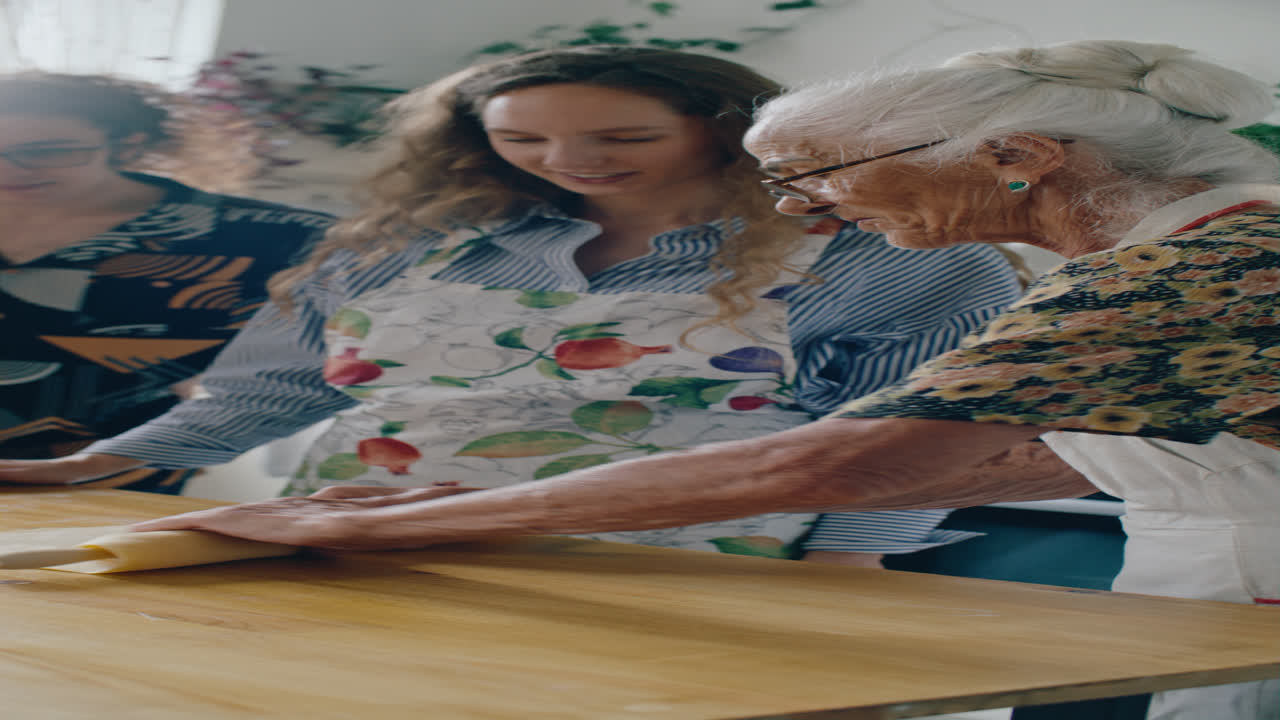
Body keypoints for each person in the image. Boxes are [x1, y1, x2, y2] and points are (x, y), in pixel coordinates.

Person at [129, 41, 1278, 718]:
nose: (800, 210)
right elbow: (1032, 446)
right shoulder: (1191, 244)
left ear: (1018, 160)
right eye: (781, 185)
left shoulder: (1207, 264)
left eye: (816, 179)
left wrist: (427, 523)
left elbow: (842, 458)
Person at [0, 47, 1024, 562]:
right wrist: (89, 468)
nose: (567, 163)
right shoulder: (400, 249)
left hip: (696, 568)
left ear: (731, 130)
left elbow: (904, 446)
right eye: (522, 141)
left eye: (621, 140)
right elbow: (265, 390)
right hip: (357, 545)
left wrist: (847, 581)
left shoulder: (881, 260)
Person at [0, 72, 333, 494]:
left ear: (129, 145)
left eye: (46, 151)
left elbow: (304, 376)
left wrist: (169, 444)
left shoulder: (279, 238)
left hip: (104, 489)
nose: (8, 167)